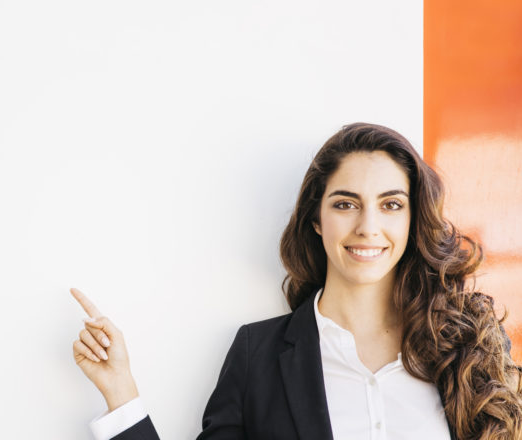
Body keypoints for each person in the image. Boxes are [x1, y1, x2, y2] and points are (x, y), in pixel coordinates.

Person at [71, 122, 522, 439]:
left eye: (390, 205)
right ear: (317, 220)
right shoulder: (257, 356)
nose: (368, 226)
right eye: (346, 204)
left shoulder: (469, 345)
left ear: (412, 220)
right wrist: (121, 392)